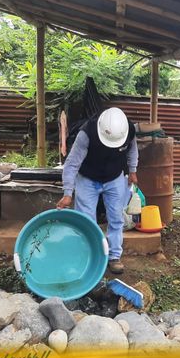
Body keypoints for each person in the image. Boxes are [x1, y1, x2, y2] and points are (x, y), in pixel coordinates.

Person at [56, 107, 138, 274]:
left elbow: (133, 150)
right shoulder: (87, 133)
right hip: (88, 178)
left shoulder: (128, 130)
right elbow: (72, 164)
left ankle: (114, 256)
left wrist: (133, 170)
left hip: (114, 177)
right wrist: (67, 193)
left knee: (116, 218)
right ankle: (89, 256)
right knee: (86, 221)